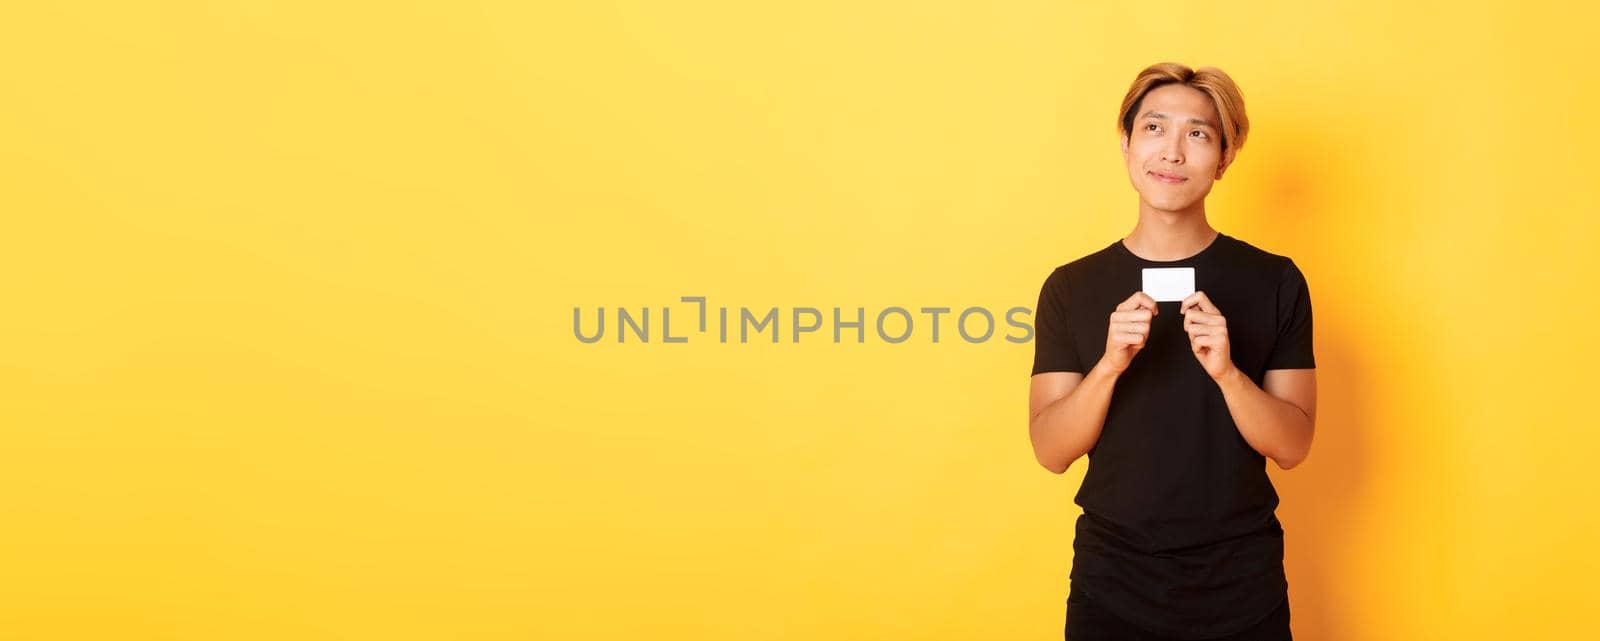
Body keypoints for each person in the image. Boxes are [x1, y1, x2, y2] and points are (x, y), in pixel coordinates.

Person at [1028, 63, 1318, 641]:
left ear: (1224, 158)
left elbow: (1293, 446)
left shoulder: (1275, 281)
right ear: (1127, 143)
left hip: (1242, 585)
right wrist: (1109, 366)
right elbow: (1050, 450)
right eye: (1155, 128)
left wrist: (1229, 374)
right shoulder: (1071, 286)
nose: (1173, 153)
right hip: (1112, 585)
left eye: (1199, 134)